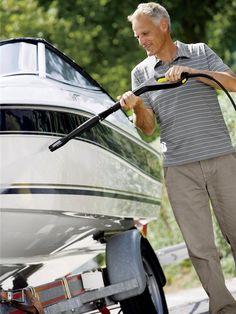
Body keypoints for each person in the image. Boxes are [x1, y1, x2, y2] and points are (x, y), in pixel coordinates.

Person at [119, 2, 236, 314]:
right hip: (179, 169)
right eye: (136, 36)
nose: (141, 40)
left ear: (163, 26)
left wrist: (193, 72)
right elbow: (146, 128)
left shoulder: (199, 51)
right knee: (200, 247)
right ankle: (224, 307)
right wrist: (137, 107)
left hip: (221, 158)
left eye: (145, 32)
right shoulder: (140, 73)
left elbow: (233, 83)